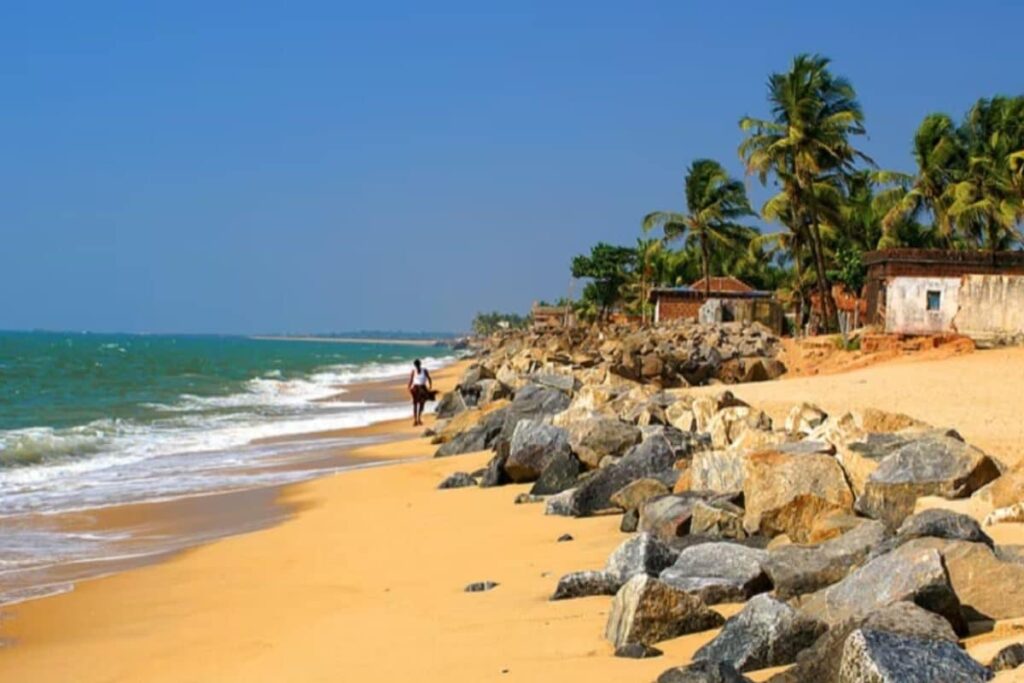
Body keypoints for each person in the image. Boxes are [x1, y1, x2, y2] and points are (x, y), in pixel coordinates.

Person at [407, 359, 433, 426]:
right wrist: (409, 387)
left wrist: (430, 386)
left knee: (422, 404)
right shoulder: (413, 371)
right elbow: (411, 380)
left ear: (420, 364)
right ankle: (415, 420)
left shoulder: (424, 370)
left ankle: (419, 419)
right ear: (415, 365)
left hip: (423, 388)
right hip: (415, 388)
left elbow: (429, 378)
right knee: (415, 404)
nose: (417, 366)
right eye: (416, 365)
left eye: (418, 365)